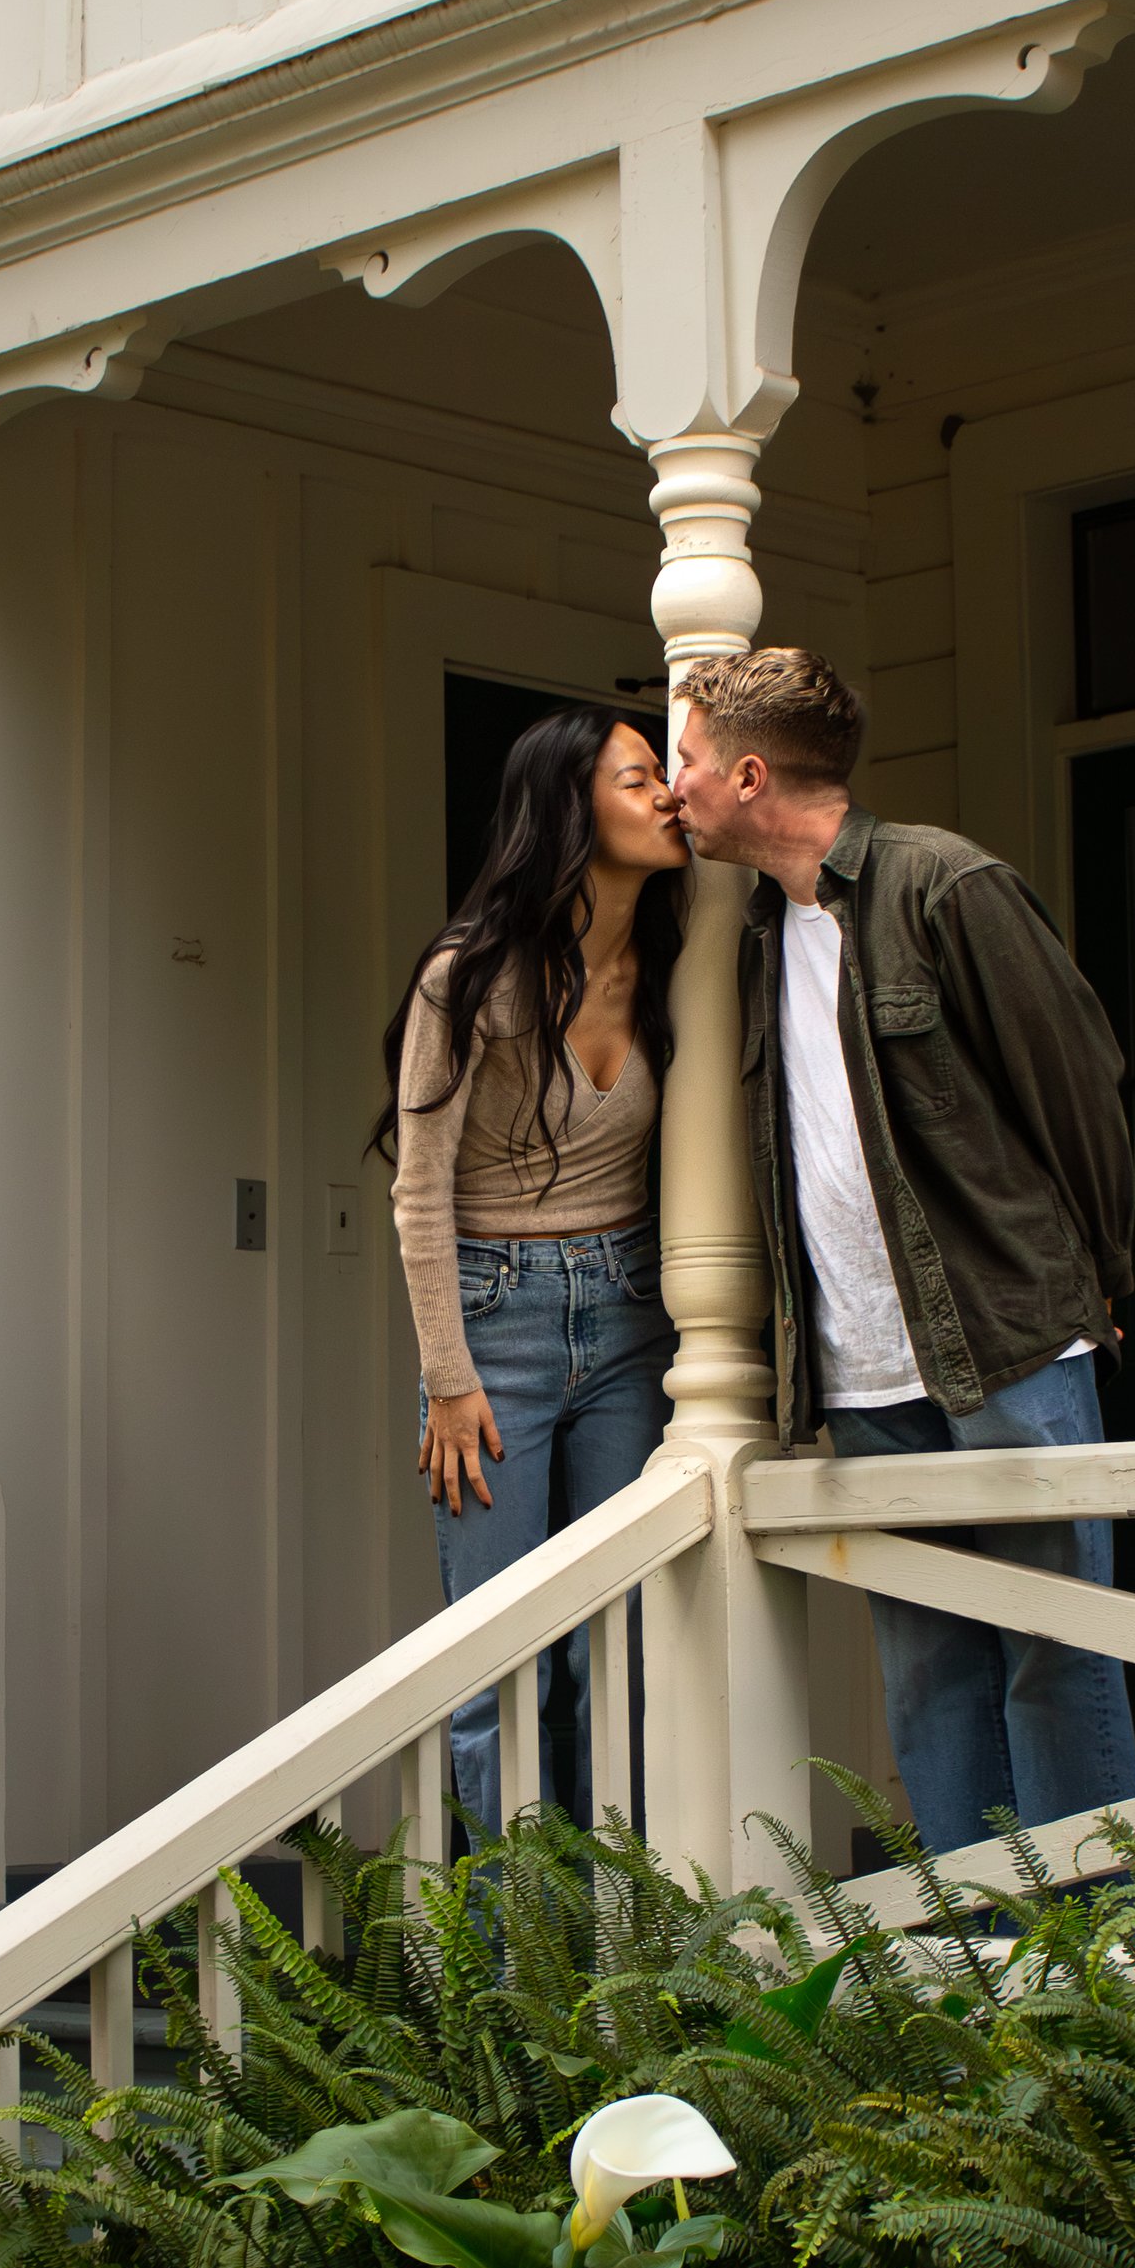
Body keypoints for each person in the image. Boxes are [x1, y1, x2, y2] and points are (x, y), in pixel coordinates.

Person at [667, 645, 1135, 1860]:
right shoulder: (764, 932)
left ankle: (1096, 1961)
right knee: (927, 1671)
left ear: (751, 773)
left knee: (1053, 1647)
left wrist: (1099, 1284)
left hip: (1007, 1337)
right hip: (864, 1367)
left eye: (687, 762)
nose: (675, 787)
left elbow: (1079, 1088)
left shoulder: (945, 885)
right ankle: (977, 1950)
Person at [376, 705, 686, 1836]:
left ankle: (625, 1948)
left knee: (624, 1648)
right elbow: (420, 1186)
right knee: (501, 1663)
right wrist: (449, 1377)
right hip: (493, 1329)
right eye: (639, 776)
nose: (667, 795)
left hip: (633, 1320)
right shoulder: (469, 978)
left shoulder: (676, 969)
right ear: (569, 805)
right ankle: (518, 1978)